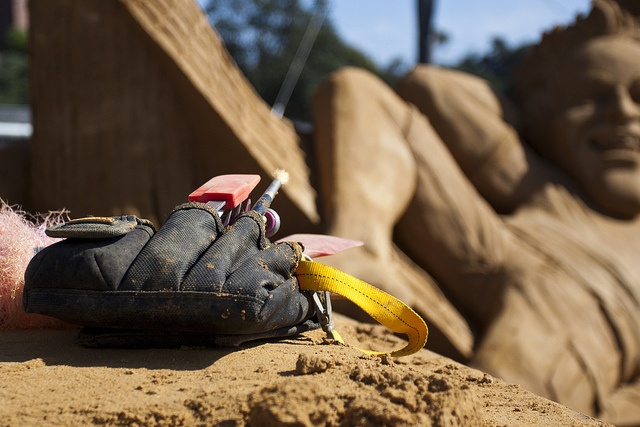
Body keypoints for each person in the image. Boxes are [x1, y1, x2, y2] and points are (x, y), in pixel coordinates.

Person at [310, 0, 640, 423]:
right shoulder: (542, 182)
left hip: (581, 322)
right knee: (354, 86)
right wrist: (520, 114)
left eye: (639, 95)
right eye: (591, 98)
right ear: (545, 117)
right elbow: (426, 86)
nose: (623, 112)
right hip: (502, 247)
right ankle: (359, 251)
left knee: (505, 395)